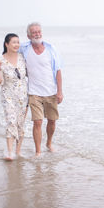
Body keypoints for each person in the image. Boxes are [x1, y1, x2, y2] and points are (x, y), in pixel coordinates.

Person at [19, 22, 63, 157]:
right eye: (34, 32)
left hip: (51, 91)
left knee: (52, 121)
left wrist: (60, 91)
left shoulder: (51, 49)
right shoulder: (24, 49)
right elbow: (12, 57)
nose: (37, 34)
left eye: (39, 31)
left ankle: (49, 143)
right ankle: (38, 151)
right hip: (34, 92)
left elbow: (58, 71)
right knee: (37, 122)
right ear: (28, 35)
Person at [0, 33, 28, 161]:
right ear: (6, 44)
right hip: (8, 95)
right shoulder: (0, 60)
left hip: (23, 95)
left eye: (18, 42)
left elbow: (29, 75)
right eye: (14, 42)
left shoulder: (23, 58)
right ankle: (10, 152)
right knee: (11, 121)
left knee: (20, 123)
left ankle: (18, 151)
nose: (17, 44)